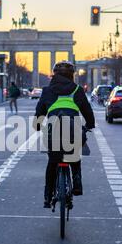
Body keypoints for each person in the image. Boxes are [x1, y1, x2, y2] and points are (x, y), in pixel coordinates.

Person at [34, 61, 95, 209]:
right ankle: (77, 183)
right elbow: (87, 111)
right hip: (73, 131)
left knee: (52, 163)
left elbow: (40, 111)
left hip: (52, 132)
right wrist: (89, 125)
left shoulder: (47, 91)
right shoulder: (77, 90)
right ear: (71, 75)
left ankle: (48, 196)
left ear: (54, 74)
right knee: (74, 154)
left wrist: (37, 125)